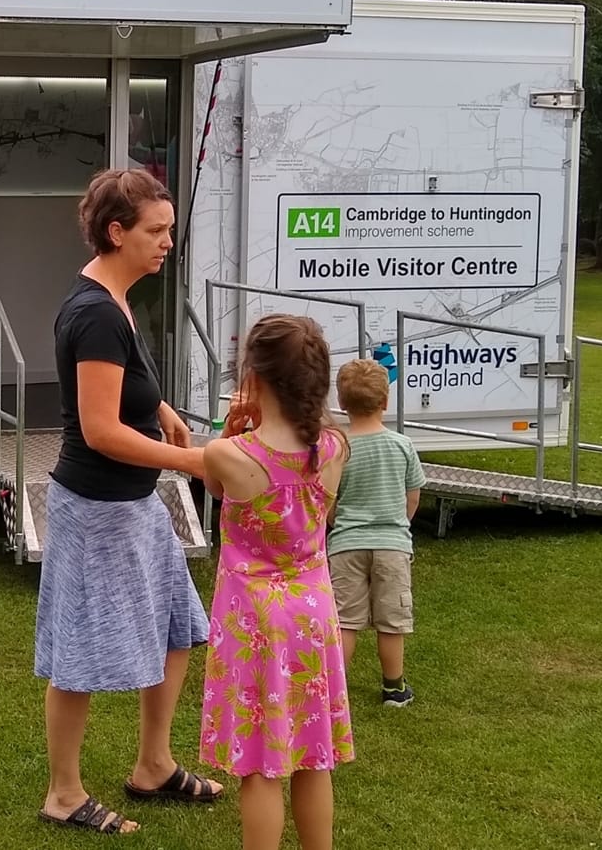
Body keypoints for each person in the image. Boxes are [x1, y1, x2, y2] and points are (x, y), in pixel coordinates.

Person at [35, 168, 222, 837]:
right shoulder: (93, 313)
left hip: (135, 508)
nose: (168, 241)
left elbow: (123, 392)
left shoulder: (113, 298)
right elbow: (100, 429)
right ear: (117, 232)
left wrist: (164, 408)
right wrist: (194, 460)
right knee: (79, 655)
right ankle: (63, 792)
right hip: (96, 510)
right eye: (156, 230)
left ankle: (153, 763)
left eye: (169, 228)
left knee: (180, 629)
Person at [197, 315, 355, 850]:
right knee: (315, 755)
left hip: (252, 621)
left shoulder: (231, 453)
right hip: (313, 610)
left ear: (255, 378)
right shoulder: (334, 447)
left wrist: (231, 428)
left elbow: (216, 487)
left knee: (260, 764)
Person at [328, 358, 424, 707]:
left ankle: (332, 692)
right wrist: (401, 525)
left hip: (345, 546)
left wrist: (336, 525)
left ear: (342, 403)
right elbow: (412, 497)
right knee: (391, 621)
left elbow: (328, 499)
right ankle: (394, 688)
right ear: (385, 402)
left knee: (345, 620)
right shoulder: (402, 445)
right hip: (392, 546)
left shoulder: (338, 448)